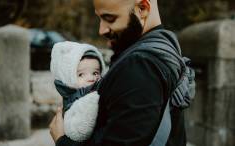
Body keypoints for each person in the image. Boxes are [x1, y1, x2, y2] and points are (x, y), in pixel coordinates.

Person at [49, 0, 195, 146]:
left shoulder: (139, 65)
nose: (102, 30)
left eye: (109, 18)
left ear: (142, 8)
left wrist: (62, 140)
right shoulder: (165, 47)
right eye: (100, 18)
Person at [50, 41, 106, 143]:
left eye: (95, 73)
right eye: (81, 74)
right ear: (67, 78)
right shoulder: (74, 97)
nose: (91, 78)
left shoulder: (100, 89)